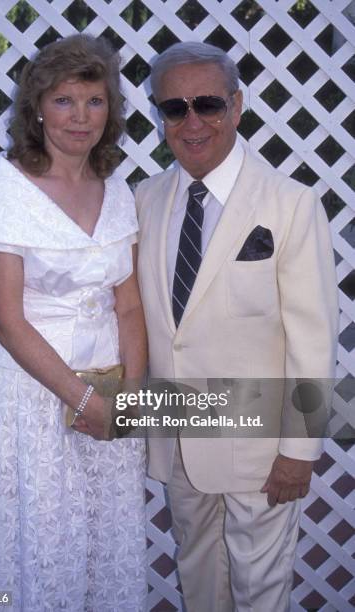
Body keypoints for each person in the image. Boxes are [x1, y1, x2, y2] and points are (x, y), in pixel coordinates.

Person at [136, 42, 338, 612]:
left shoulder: (291, 204)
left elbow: (314, 337)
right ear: (160, 115)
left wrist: (300, 448)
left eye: (208, 104)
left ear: (237, 104)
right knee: (197, 573)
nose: (192, 121)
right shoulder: (144, 201)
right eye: (175, 108)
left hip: (260, 445)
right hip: (178, 437)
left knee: (260, 590)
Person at [0, 34, 147, 611]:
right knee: (34, 546)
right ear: (37, 108)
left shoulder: (115, 189)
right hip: (31, 397)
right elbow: (7, 322)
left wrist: (129, 397)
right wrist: (84, 399)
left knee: (100, 542)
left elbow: (129, 304)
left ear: (110, 110)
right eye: (64, 101)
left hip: (111, 394)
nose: (80, 117)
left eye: (94, 101)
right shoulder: (2, 191)